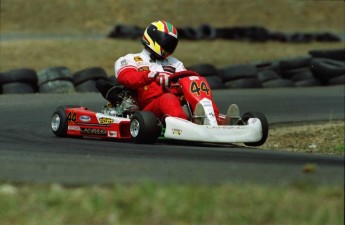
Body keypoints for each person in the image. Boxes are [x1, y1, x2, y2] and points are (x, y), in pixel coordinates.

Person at [114, 20, 239, 125]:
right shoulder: (131, 59)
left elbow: (187, 79)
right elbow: (126, 77)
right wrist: (151, 76)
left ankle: (215, 122)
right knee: (168, 98)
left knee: (197, 90)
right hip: (149, 108)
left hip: (178, 102)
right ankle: (185, 125)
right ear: (154, 39)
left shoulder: (175, 63)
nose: (170, 46)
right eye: (167, 42)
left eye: (172, 43)